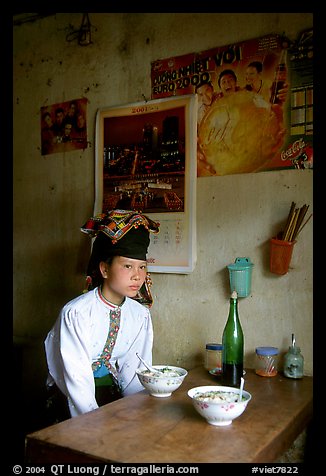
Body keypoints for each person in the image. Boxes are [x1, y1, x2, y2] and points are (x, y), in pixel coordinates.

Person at [44, 209, 160, 421]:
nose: (137, 275)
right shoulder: (76, 313)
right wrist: (96, 425)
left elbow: (133, 373)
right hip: (70, 400)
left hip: (109, 396)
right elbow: (76, 380)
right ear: (105, 269)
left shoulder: (139, 315)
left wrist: (136, 414)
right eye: (127, 266)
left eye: (142, 267)